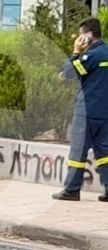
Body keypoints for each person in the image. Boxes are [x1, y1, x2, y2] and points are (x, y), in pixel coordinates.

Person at [53, 18, 108, 201]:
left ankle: (71, 189)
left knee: (78, 151)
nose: (78, 37)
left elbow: (68, 73)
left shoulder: (90, 56)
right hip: (105, 112)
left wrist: (76, 51)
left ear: (89, 35)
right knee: (105, 153)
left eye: (80, 34)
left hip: (87, 112)